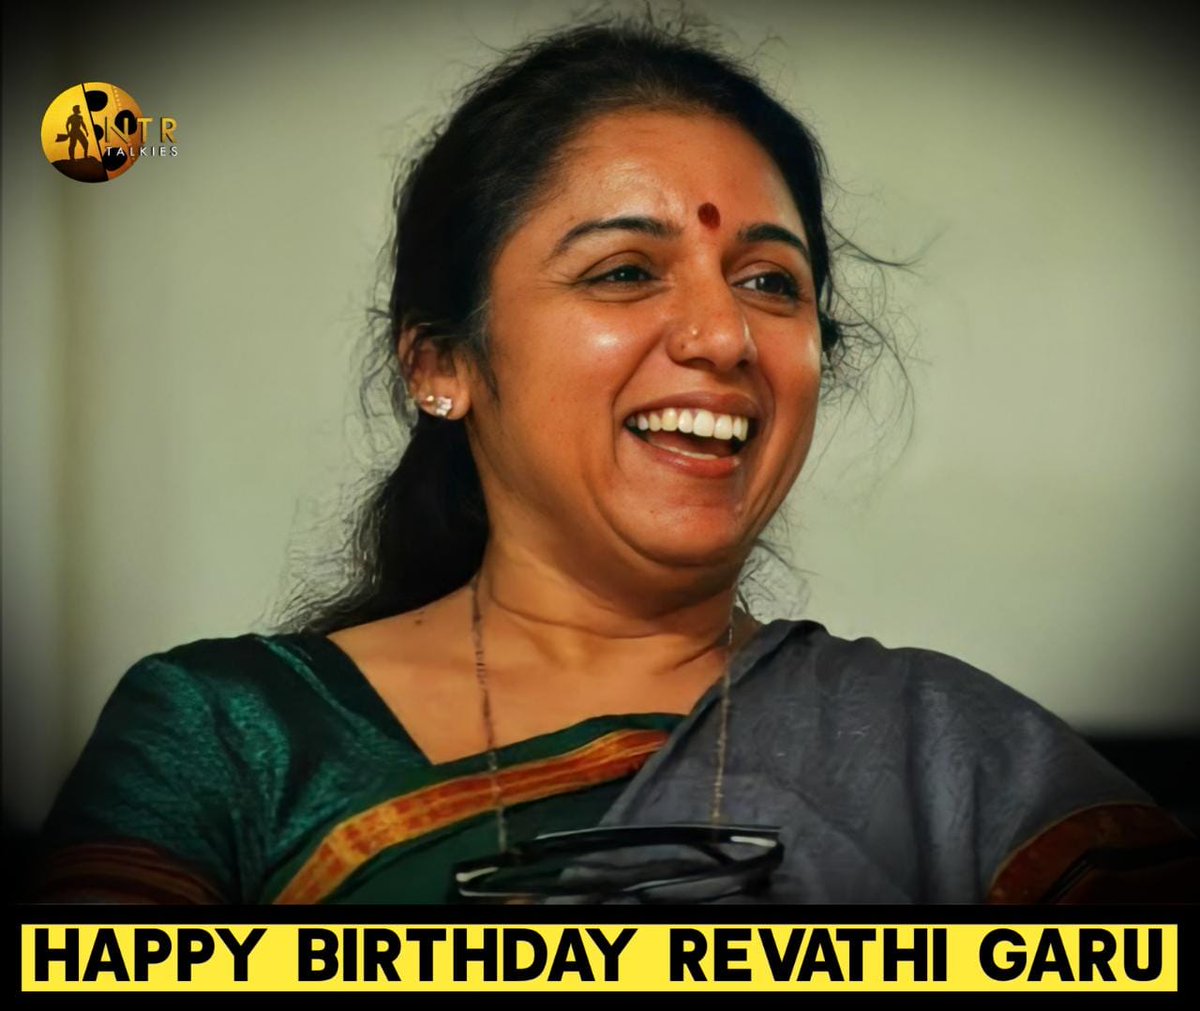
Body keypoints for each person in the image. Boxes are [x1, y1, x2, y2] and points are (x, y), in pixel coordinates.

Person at [36, 17, 1196, 904]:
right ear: (444, 363)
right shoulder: (229, 739)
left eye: (771, 283)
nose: (725, 337)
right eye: (626, 272)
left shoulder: (953, 758)